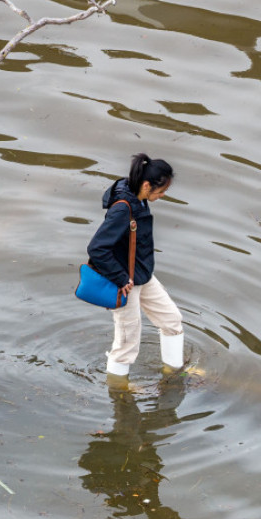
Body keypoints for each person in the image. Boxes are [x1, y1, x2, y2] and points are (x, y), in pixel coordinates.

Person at [87, 153, 183, 379]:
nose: (162, 196)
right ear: (147, 185)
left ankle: (175, 374)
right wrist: (121, 279)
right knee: (126, 344)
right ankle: (119, 393)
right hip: (124, 282)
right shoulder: (123, 209)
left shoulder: (138, 196)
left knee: (172, 321)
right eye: (160, 191)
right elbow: (96, 248)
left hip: (142, 273)